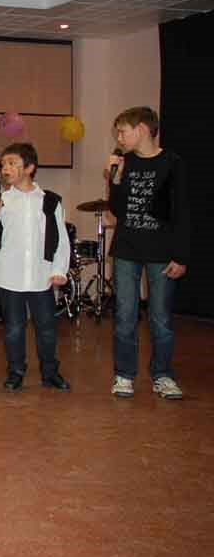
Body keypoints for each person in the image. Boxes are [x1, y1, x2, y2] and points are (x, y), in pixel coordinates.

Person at [107, 106, 189, 400]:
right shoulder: (124, 162)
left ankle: (162, 375)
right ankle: (124, 374)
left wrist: (181, 255)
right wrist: (116, 179)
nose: (119, 138)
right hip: (127, 249)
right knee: (125, 315)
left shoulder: (172, 163)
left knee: (161, 318)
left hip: (161, 252)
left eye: (122, 132)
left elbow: (182, 211)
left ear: (141, 129)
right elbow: (117, 210)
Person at [0, 143, 71, 392]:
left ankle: (50, 372)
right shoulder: (2, 201)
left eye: (12, 163)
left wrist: (59, 269)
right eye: (3, 164)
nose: (5, 168)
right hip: (10, 276)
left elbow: (61, 239)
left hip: (41, 276)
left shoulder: (50, 201)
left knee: (46, 329)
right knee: (14, 329)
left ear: (29, 168)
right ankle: (15, 372)